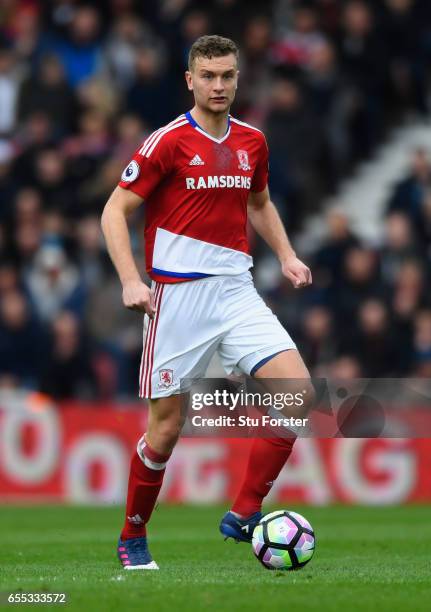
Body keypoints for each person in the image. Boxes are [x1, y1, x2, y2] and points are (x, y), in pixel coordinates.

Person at [101, 35, 312, 571]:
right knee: (165, 431)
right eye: (209, 76)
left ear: (239, 79)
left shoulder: (252, 141)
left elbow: (259, 203)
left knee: (299, 396)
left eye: (228, 76)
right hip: (177, 298)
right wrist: (131, 280)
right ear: (190, 80)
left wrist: (286, 255)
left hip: (236, 291)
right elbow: (113, 212)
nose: (219, 85)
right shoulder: (166, 142)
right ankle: (133, 535)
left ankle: (244, 512)